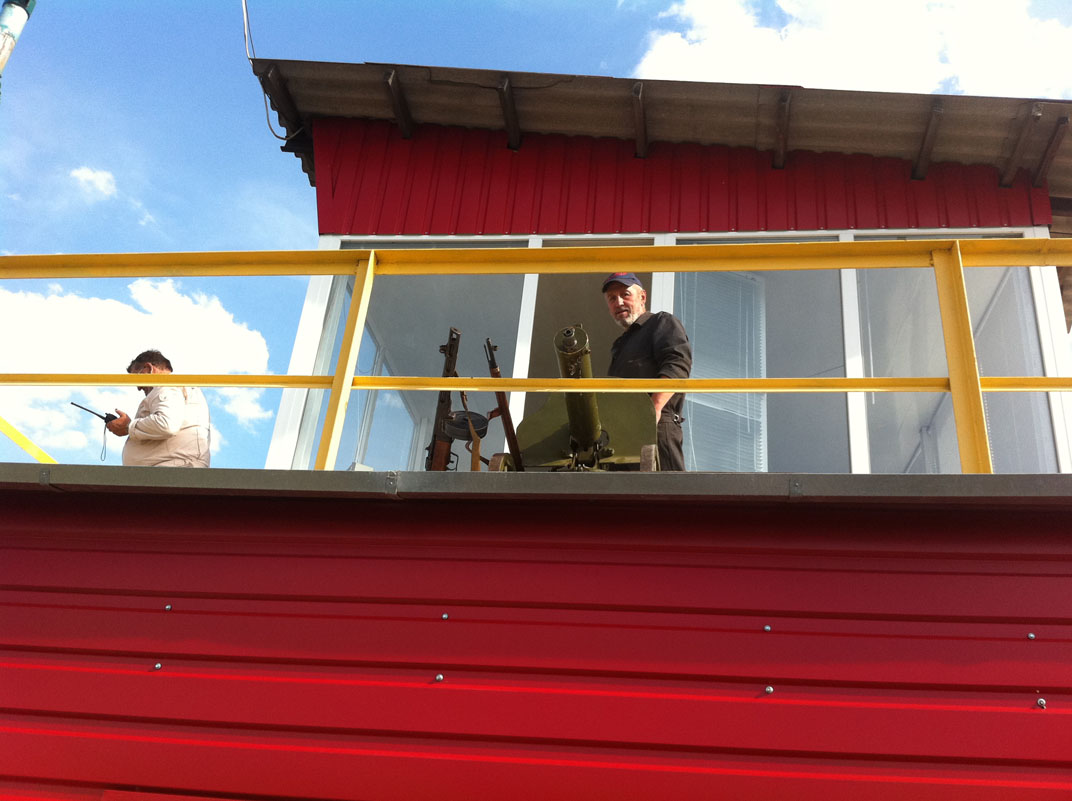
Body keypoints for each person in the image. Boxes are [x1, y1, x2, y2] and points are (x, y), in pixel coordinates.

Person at [603, 272, 692, 471]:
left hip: (655, 428)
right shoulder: (620, 346)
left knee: (664, 489)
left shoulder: (661, 322)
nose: (618, 302)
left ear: (642, 297)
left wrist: (653, 410)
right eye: (612, 298)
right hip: (623, 438)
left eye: (625, 294)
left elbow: (677, 364)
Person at [105, 349, 211, 467]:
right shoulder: (178, 387)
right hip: (172, 470)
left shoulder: (167, 385)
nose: (139, 388)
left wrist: (128, 426)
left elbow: (166, 424)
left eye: (136, 379)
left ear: (148, 369)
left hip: (172, 470)